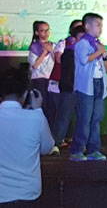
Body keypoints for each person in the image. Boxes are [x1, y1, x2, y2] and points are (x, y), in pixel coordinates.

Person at [0, 69, 54, 204]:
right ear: (25, 94)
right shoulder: (37, 118)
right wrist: (38, 109)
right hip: (29, 193)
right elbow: (47, 148)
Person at [70, 13, 107, 162]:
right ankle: (77, 150)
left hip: (98, 83)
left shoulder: (98, 43)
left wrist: (102, 53)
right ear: (87, 26)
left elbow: (105, 65)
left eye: (101, 25)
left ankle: (93, 149)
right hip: (86, 85)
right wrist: (99, 51)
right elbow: (84, 60)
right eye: (98, 25)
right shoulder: (83, 44)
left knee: (96, 117)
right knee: (84, 118)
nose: (100, 28)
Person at [51, 25, 85, 154]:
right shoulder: (69, 52)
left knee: (83, 117)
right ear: (74, 38)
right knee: (64, 117)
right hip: (69, 88)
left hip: (82, 89)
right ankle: (55, 143)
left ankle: (79, 143)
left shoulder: (85, 52)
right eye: (81, 37)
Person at [27, 20, 55, 126]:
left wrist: (51, 51)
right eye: (42, 31)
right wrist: (44, 52)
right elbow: (34, 65)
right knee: (41, 106)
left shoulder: (53, 45)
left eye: (47, 30)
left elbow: (57, 62)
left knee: (51, 107)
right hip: (39, 80)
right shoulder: (34, 46)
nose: (46, 33)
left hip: (51, 80)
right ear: (37, 33)